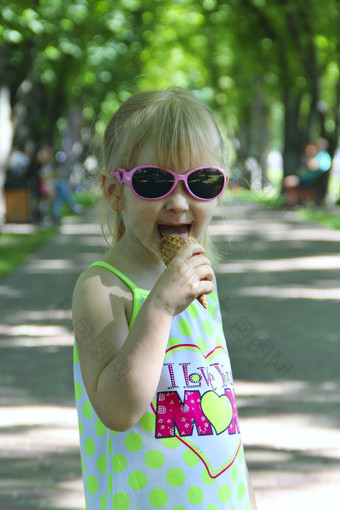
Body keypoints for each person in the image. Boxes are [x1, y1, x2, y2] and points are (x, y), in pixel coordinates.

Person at [72, 87, 257, 509]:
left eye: (200, 182)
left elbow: (221, 416)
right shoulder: (102, 287)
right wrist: (159, 307)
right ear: (114, 192)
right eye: (153, 182)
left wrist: (247, 494)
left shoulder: (200, 279)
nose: (178, 202)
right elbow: (118, 410)